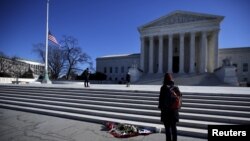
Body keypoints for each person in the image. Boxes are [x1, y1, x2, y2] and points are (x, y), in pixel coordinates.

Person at [158, 73, 181, 141]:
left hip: (166, 111)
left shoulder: (163, 88)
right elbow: (180, 98)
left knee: (167, 129)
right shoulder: (175, 88)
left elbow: (161, 100)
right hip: (174, 111)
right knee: (174, 128)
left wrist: (161, 108)